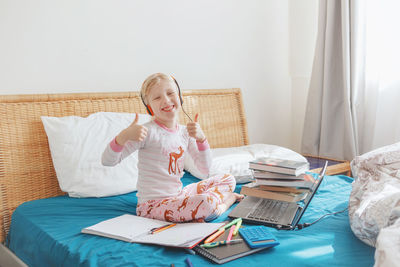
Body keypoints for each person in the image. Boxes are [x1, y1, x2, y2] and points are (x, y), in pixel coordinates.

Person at [102, 73, 243, 222]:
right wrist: (123, 137)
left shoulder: (184, 133)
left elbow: (205, 169)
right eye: (157, 98)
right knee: (206, 203)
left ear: (180, 97)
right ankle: (225, 203)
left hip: (179, 195)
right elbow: (107, 161)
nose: (166, 100)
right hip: (152, 206)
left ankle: (204, 206)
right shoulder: (146, 132)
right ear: (149, 107)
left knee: (229, 179)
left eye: (170, 93)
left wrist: (202, 139)